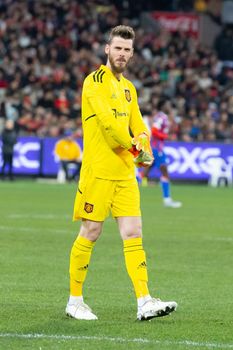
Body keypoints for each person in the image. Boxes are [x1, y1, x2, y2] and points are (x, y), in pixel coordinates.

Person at [65, 25, 178, 321]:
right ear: (107, 49)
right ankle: (74, 300)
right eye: (118, 48)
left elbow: (139, 124)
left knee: (133, 234)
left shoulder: (129, 88)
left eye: (127, 50)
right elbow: (109, 126)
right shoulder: (94, 82)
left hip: (125, 176)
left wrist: (143, 141)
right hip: (98, 173)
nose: (122, 54)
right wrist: (134, 148)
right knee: (91, 231)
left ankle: (144, 301)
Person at [141, 99, 182, 208]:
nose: (169, 106)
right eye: (167, 104)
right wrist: (166, 137)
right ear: (163, 105)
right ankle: (167, 199)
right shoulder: (161, 117)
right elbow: (154, 131)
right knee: (164, 172)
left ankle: (128, 192)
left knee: (145, 173)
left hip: (156, 147)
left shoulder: (164, 117)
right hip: (156, 148)